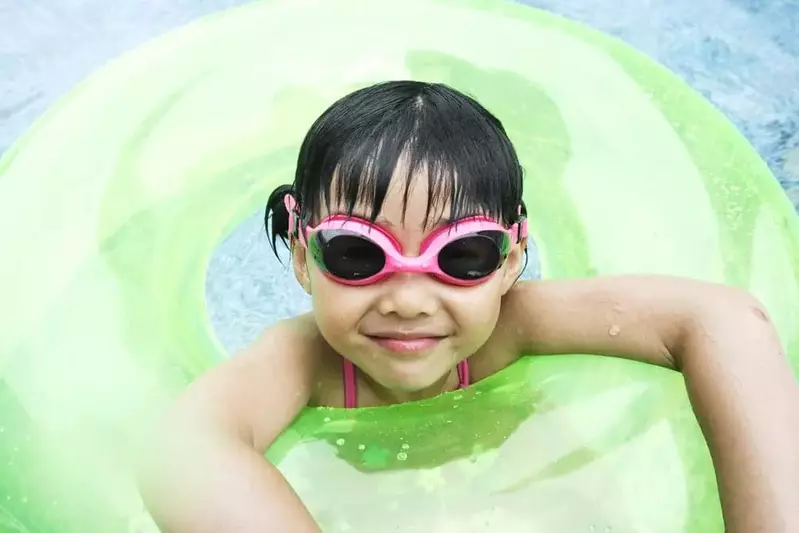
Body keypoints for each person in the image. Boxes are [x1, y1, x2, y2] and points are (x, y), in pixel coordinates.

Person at [138, 81, 799, 532]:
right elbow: (185, 448)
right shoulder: (299, 359)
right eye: (356, 254)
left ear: (511, 258)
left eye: (462, 257)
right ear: (303, 254)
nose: (407, 300)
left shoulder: (508, 326)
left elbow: (720, 318)